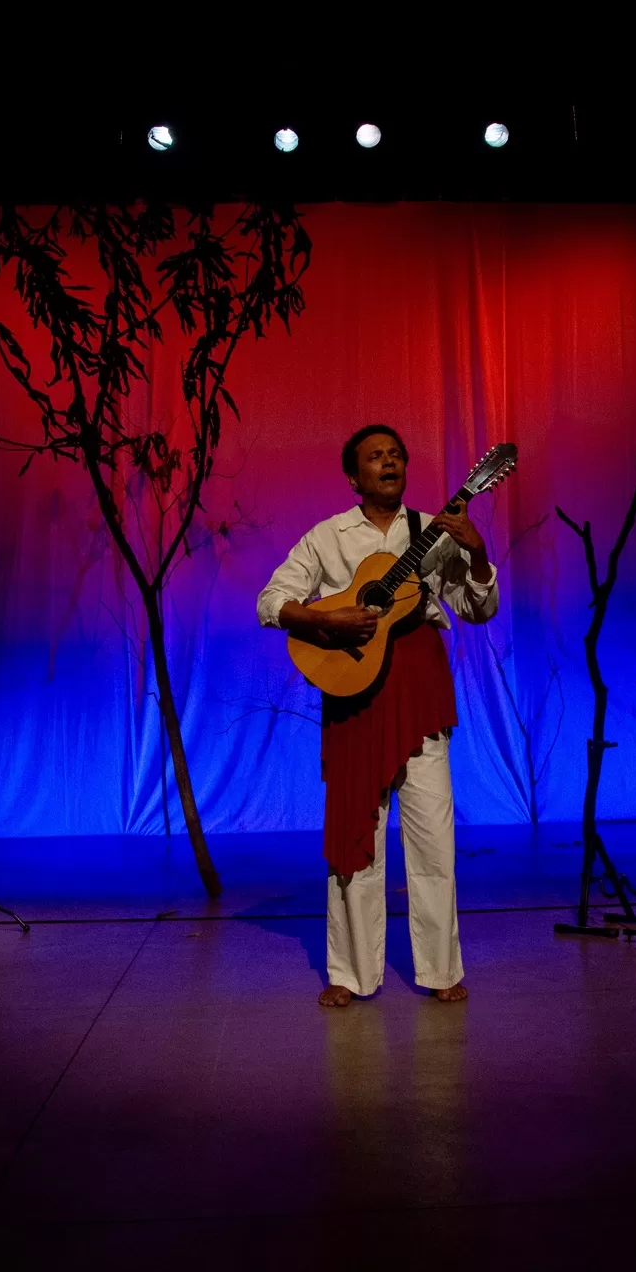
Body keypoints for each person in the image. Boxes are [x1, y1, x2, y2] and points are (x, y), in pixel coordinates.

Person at [257, 425, 499, 1006]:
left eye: (396, 454)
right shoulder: (327, 536)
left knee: (433, 840)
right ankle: (350, 973)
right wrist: (323, 620)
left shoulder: (432, 532)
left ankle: (441, 969)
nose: (388, 461)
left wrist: (477, 552)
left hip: (419, 691)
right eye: (375, 456)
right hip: (356, 691)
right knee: (355, 829)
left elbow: (477, 609)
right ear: (353, 476)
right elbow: (271, 600)